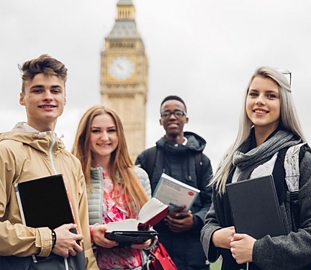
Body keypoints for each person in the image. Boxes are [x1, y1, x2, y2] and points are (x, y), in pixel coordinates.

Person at [200, 66, 311, 270]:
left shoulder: (298, 158)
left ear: (284, 104)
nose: (259, 101)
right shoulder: (230, 162)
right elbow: (211, 220)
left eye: (271, 95)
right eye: (253, 94)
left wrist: (258, 250)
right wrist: (214, 236)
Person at [0, 54, 98, 269]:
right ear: (22, 98)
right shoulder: (6, 152)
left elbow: (84, 241)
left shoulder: (71, 162)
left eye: (55, 90)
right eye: (38, 90)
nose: (48, 97)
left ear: (65, 98)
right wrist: (49, 239)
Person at [135, 95, 213, 270]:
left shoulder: (202, 161)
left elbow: (212, 203)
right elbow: (135, 202)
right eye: (166, 113)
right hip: (157, 252)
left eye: (177, 113)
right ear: (160, 120)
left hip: (194, 254)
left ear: (186, 119)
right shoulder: (147, 158)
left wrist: (194, 221)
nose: (172, 117)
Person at [72, 105, 154, 270]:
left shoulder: (140, 177)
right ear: (84, 136)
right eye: (96, 131)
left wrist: (147, 239)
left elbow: (150, 228)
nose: (104, 137)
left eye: (111, 130)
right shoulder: (74, 177)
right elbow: (64, 229)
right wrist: (92, 234)